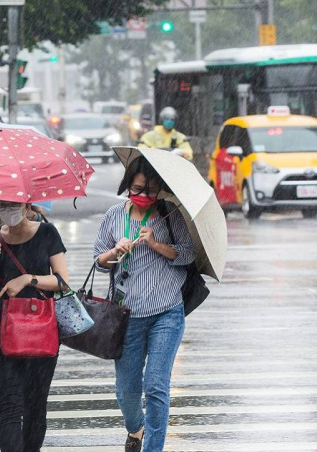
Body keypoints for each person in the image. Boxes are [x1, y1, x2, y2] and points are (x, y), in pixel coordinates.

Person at [93, 156, 196, 452]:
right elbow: (99, 262)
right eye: (137, 188)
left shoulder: (169, 214)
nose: (143, 195)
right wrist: (115, 250)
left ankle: (153, 448)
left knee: (156, 385)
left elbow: (188, 255)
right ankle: (135, 428)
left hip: (167, 312)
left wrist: (156, 244)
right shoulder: (113, 216)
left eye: (150, 190)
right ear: (127, 185)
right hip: (126, 317)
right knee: (126, 391)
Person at [0, 201, 68, 452]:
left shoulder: (47, 233)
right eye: (3, 205)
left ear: (27, 204)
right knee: (8, 405)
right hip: (2, 329)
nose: (8, 209)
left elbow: (62, 281)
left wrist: (27, 279)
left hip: (42, 328)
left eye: (13, 204)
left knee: (35, 404)